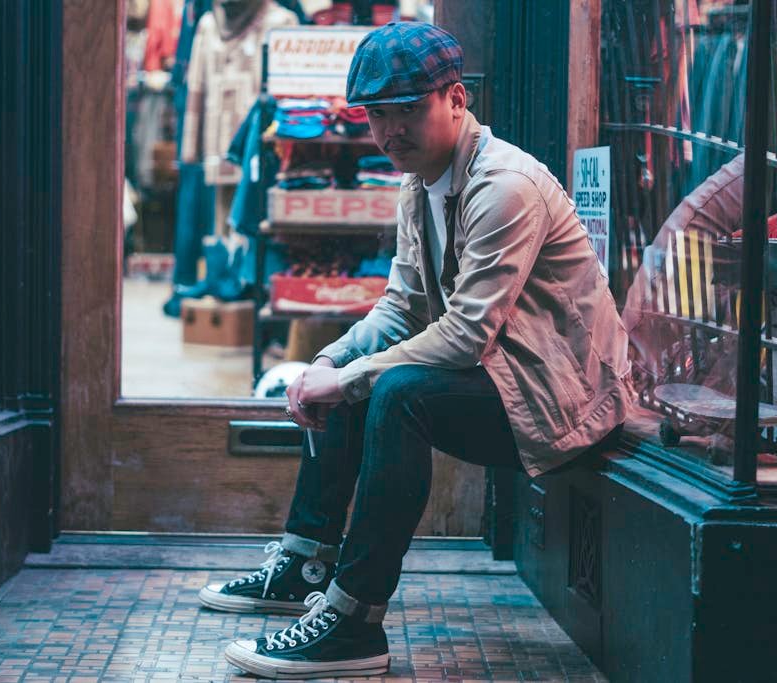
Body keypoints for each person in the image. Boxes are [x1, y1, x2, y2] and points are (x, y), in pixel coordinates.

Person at [207, 21, 632, 680]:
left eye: (407, 109)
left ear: (456, 99)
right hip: (504, 379)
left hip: (564, 402)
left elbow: (465, 334)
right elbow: (400, 306)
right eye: (377, 114)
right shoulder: (420, 182)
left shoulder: (504, 185)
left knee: (397, 392)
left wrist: (349, 378)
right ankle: (305, 564)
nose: (390, 130)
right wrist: (330, 361)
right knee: (359, 377)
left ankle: (354, 620)